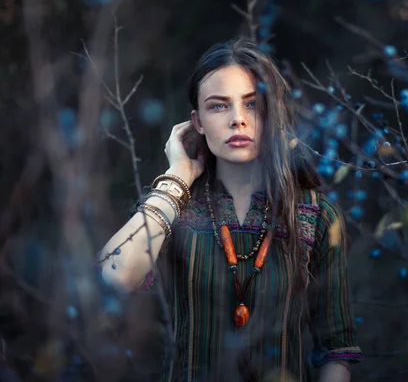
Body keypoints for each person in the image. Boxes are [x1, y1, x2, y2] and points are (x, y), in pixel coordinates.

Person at [98, 38, 361, 382]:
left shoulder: (316, 214)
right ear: (198, 122)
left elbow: (335, 351)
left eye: (252, 104)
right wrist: (177, 178)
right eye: (219, 106)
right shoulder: (176, 205)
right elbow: (115, 275)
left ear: (272, 112)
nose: (238, 119)